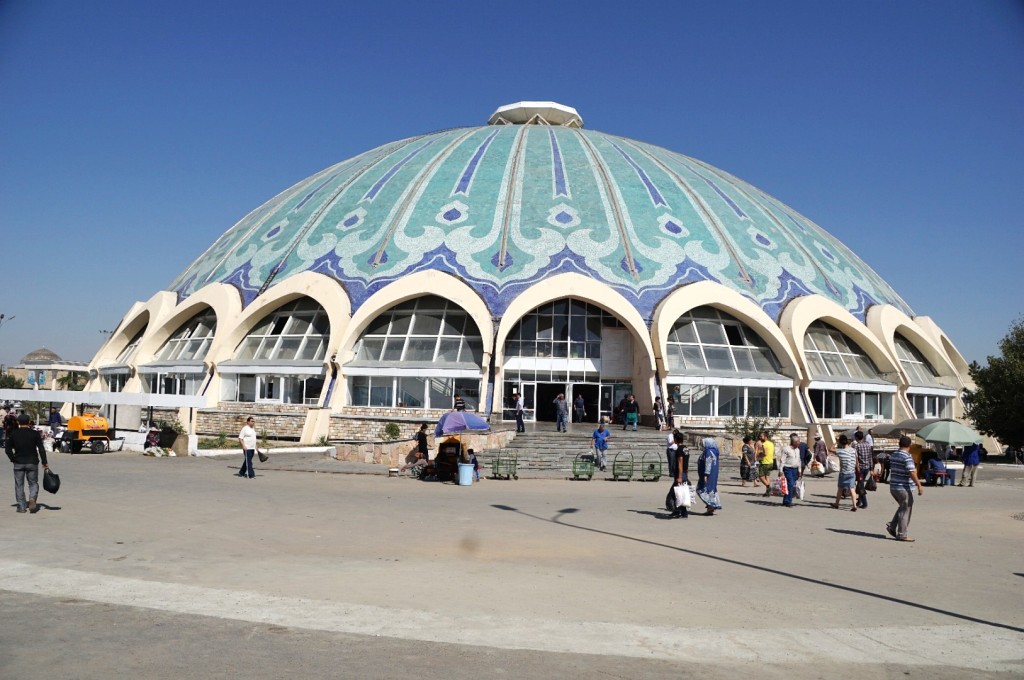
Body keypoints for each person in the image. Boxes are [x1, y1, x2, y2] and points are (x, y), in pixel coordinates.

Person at [6, 413, 49, 513]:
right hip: (32, 462)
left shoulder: (14, 433)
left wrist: (13, 459)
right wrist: (44, 462)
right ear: (29, 422)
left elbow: (7, 449)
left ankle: (21, 506)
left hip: (18, 463)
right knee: (33, 483)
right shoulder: (34, 434)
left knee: (19, 485)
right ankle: (32, 498)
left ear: (18, 422)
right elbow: (41, 449)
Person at [887, 435, 924, 542]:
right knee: (906, 509)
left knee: (902, 507)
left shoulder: (894, 455)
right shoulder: (907, 456)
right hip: (903, 487)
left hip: (893, 486)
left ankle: (892, 526)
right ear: (909, 445)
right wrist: (919, 485)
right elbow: (911, 472)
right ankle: (902, 534)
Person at [830, 434, 859, 511]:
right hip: (852, 472)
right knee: (852, 489)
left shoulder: (840, 451)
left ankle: (836, 504)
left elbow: (830, 449)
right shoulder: (853, 450)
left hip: (843, 473)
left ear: (840, 442)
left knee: (840, 488)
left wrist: (835, 442)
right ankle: (854, 506)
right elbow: (856, 460)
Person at [696, 437, 722, 515]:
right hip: (714, 473)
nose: (703, 445)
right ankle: (710, 508)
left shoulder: (708, 451)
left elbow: (708, 463)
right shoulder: (715, 450)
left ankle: (711, 505)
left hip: (708, 474)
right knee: (711, 489)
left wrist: (706, 474)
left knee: (701, 489)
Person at [778, 433, 803, 507]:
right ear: (793, 442)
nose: (799, 443)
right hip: (788, 468)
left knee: (791, 485)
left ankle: (786, 500)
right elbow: (782, 460)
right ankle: (789, 501)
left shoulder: (798, 450)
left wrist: (799, 470)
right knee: (790, 484)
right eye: (798, 441)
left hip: (795, 469)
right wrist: (780, 470)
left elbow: (799, 460)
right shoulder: (786, 449)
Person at [853, 431, 873, 508]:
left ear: (857, 438)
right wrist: (871, 468)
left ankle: (864, 503)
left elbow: (855, 458)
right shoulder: (868, 445)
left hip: (860, 468)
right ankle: (859, 501)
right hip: (867, 467)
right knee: (860, 483)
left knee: (860, 485)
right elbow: (870, 457)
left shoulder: (857, 446)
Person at [756, 431, 775, 497]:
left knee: (761, 477)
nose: (760, 437)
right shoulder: (771, 443)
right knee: (767, 477)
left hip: (765, 462)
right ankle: (767, 492)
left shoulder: (764, 444)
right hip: (770, 462)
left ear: (766, 437)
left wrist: (759, 455)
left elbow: (765, 453)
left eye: (761, 436)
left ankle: (768, 486)